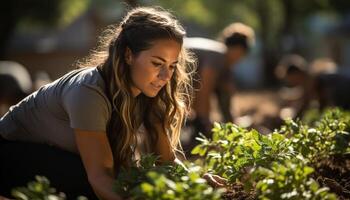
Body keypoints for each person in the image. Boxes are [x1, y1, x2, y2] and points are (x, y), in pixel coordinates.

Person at [0, 7, 225, 200]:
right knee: (90, 182)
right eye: (157, 63)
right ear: (128, 55)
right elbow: (100, 177)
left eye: (172, 65)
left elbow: (165, 161)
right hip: (10, 152)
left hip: (55, 156)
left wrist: (195, 182)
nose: (166, 75)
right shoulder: (88, 92)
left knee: (128, 175)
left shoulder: (148, 92)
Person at [183, 23, 255, 150]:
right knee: (200, 121)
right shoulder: (219, 55)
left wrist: (232, 123)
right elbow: (203, 91)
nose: (239, 60)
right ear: (239, 50)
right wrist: (205, 121)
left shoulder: (224, 65)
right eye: (241, 56)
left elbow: (226, 95)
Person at [275, 55, 350, 119]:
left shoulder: (311, 80)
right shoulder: (313, 74)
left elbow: (305, 105)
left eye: (290, 79)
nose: (290, 82)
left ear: (296, 74)